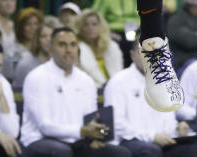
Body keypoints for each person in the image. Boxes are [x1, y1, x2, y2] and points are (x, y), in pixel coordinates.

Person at [19, 27, 131, 156]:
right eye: (62, 45)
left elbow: (90, 119)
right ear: (50, 49)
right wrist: (82, 132)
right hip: (40, 140)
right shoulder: (37, 77)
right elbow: (45, 126)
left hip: (78, 140)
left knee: (119, 153)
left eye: (73, 45)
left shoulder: (86, 80)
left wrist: (94, 136)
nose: (68, 50)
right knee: (61, 151)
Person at [104, 41, 197, 157]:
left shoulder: (166, 80)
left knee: (190, 148)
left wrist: (177, 128)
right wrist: (152, 137)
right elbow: (117, 124)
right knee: (151, 151)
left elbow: (168, 117)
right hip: (128, 140)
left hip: (162, 139)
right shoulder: (118, 81)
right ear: (132, 55)